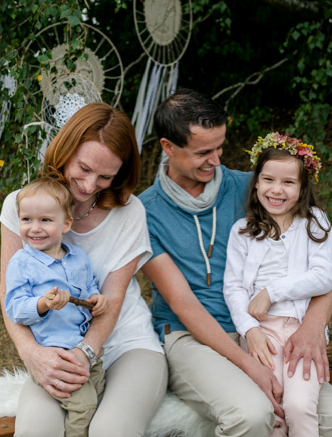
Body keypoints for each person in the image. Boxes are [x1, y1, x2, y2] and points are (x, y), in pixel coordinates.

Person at [139, 89, 332, 436]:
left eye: (220, 147)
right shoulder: (145, 213)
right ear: (168, 147)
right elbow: (183, 304)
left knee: (322, 415)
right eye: (203, 152)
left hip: (267, 326)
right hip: (191, 336)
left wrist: (313, 326)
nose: (216, 160)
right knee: (252, 413)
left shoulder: (253, 189)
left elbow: (320, 263)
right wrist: (248, 365)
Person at [0, 102, 167, 436]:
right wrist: (31, 353)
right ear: (65, 149)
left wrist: (86, 352)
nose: (90, 185)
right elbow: (8, 292)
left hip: (124, 347)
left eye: (106, 176)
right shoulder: (21, 205)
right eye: (84, 168)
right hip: (53, 349)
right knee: (37, 429)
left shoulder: (130, 212)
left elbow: (113, 297)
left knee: (111, 430)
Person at [223, 132, 332, 437]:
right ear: (256, 181)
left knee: (299, 406)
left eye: (288, 182)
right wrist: (250, 330)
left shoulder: (315, 222)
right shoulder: (242, 231)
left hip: (302, 331)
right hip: (262, 333)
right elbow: (233, 289)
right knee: (273, 407)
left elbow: (324, 276)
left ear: (302, 186)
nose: (276, 190)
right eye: (268, 179)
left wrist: (271, 292)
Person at [4, 177, 109, 436]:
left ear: (67, 224)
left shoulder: (78, 258)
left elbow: (89, 289)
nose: (34, 228)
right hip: (55, 353)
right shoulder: (22, 263)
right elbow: (14, 308)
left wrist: (97, 298)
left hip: (83, 349)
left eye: (45, 220)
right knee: (84, 406)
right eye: (26, 219)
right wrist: (43, 303)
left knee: (97, 393)